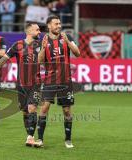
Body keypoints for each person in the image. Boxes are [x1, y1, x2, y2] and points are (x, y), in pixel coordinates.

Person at [0, 22, 41, 146]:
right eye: (37, 30)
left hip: (36, 83)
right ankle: (29, 135)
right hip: (21, 84)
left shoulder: (41, 44)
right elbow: (2, 60)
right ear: (29, 31)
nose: (39, 32)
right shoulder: (18, 45)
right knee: (25, 111)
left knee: (32, 108)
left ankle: (31, 136)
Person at [34, 15, 80, 148]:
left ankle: (68, 139)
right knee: (44, 108)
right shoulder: (43, 40)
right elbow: (40, 61)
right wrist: (42, 48)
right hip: (50, 80)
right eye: (56, 24)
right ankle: (40, 139)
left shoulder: (67, 38)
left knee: (66, 111)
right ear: (49, 26)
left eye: (59, 23)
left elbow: (77, 53)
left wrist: (69, 42)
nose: (59, 26)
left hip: (65, 80)